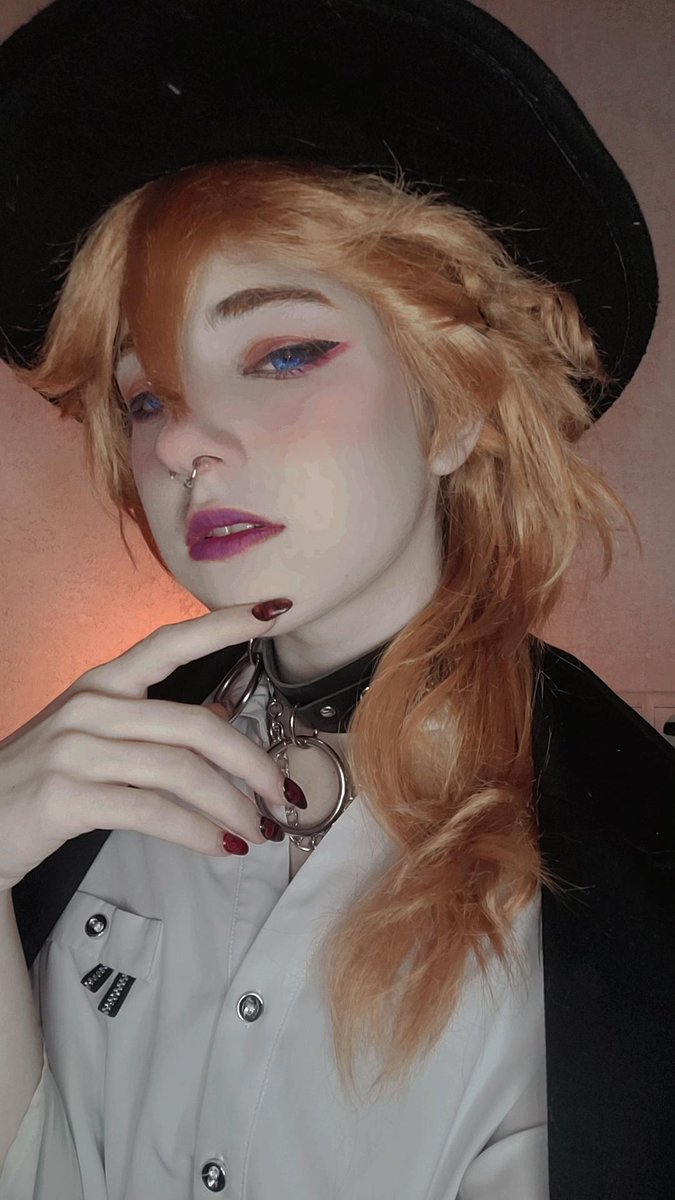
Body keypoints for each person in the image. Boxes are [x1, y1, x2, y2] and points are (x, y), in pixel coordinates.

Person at [0, 2, 673, 1198]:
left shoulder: (632, 859)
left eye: (283, 355)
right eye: (146, 397)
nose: (182, 444)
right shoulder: (90, 785)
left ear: (455, 406)